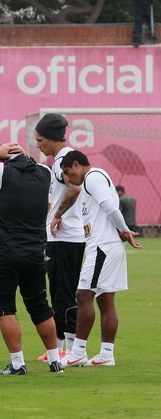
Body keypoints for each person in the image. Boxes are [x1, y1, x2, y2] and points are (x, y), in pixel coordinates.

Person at [0, 142, 63, 375]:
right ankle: (55, 360)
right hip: (35, 253)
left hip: (5, 253)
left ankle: (18, 364)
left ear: (3, 158)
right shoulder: (44, 173)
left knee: (5, 308)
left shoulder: (1, 171)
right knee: (40, 307)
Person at [57, 151, 142, 368]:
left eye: (67, 172)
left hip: (103, 246)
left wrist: (124, 231)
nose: (67, 178)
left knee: (83, 295)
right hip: (106, 246)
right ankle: (106, 354)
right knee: (105, 300)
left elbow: (110, 207)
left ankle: (77, 352)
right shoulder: (91, 181)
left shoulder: (93, 177)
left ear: (76, 164)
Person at [33, 113, 85, 361]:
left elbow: (74, 187)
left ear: (51, 138)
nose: (38, 144)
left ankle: (72, 350)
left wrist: (58, 216)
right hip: (64, 237)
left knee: (64, 292)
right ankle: (60, 346)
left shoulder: (64, 159)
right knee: (59, 291)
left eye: (40, 139)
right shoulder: (62, 158)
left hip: (64, 237)